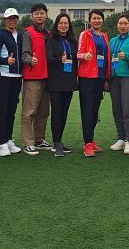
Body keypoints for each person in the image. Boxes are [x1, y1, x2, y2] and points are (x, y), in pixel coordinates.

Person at [77, 9, 111, 157]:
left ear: (103, 20)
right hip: (87, 76)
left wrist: (107, 77)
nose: (96, 21)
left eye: (99, 18)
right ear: (90, 21)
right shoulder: (85, 34)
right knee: (88, 109)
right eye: (94, 18)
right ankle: (87, 143)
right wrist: (85, 56)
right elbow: (78, 53)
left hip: (100, 76)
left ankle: (91, 139)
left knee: (95, 110)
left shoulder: (104, 36)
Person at [45, 13, 78, 157]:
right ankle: (56, 143)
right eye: (60, 23)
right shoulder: (51, 41)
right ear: (56, 25)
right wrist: (60, 59)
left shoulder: (73, 41)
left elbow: (76, 60)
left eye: (66, 23)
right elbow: (49, 59)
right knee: (57, 112)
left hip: (69, 81)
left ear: (69, 25)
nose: (63, 26)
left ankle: (59, 141)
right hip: (55, 81)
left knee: (64, 112)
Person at [21, 3, 52, 155]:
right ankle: (28, 142)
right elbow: (24, 54)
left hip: (47, 77)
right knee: (29, 112)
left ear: (46, 15)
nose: (39, 16)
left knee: (43, 111)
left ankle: (40, 139)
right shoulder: (28, 32)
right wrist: (30, 60)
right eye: (36, 13)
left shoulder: (49, 34)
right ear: (32, 16)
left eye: (42, 13)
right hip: (32, 77)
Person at [0, 8, 23, 157]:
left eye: (15, 18)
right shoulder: (1, 34)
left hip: (17, 76)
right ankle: (2, 143)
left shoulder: (20, 35)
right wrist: (6, 61)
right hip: (3, 75)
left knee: (11, 110)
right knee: (2, 110)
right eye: (9, 18)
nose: (12, 20)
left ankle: (9, 140)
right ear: (4, 20)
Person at [108, 14, 129, 155]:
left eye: (125, 23)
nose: (122, 26)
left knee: (128, 110)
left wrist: (126, 56)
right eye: (120, 23)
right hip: (114, 78)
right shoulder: (113, 41)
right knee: (117, 110)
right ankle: (121, 138)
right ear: (117, 25)